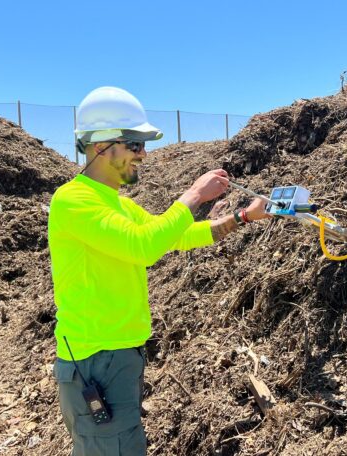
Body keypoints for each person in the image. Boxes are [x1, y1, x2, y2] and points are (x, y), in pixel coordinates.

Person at [48, 86, 270, 455]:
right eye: (135, 144)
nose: (143, 154)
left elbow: (175, 236)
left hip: (118, 355)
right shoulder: (72, 200)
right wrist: (194, 194)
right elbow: (144, 247)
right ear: (103, 144)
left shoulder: (116, 204)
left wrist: (244, 216)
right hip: (94, 360)